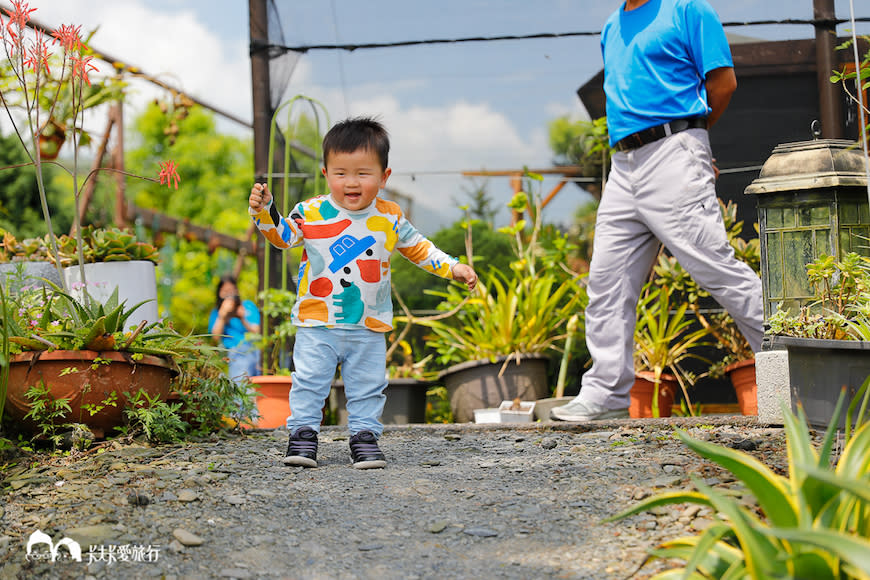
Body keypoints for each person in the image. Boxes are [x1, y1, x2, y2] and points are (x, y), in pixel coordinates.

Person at [551, 0, 764, 422]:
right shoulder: (613, 26)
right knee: (606, 281)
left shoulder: (688, 10)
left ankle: (793, 366)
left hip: (673, 150)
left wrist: (693, 143)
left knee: (716, 268)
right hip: (623, 165)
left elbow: (723, 83)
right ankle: (607, 394)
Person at [249, 116, 478, 469]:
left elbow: (420, 248)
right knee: (309, 381)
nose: (351, 182)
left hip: (369, 324)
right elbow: (283, 237)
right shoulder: (310, 212)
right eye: (340, 173)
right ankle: (303, 437)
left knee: (368, 386)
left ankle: (364, 439)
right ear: (325, 173)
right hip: (317, 320)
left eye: (363, 173)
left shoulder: (390, 216)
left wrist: (453, 266)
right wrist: (264, 210)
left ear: (384, 176)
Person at [208, 276, 262, 385]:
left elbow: (257, 331)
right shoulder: (217, 312)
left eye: (232, 291)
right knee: (242, 386)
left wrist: (242, 318)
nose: (230, 295)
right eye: (226, 291)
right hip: (237, 353)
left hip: (256, 350)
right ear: (219, 293)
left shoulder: (247, 306)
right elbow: (215, 337)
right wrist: (223, 315)